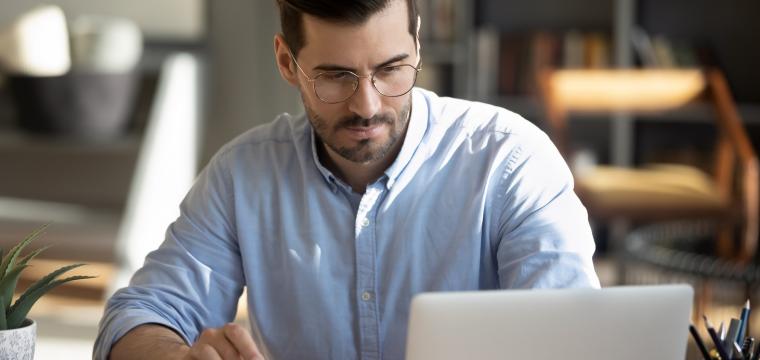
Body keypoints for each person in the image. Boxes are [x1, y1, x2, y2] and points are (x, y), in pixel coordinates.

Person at [94, 0, 600, 359]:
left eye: (391, 69)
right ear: (286, 63)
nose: (368, 105)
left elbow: (575, 335)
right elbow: (139, 314)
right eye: (336, 76)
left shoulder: (510, 161)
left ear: (418, 46)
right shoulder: (241, 177)